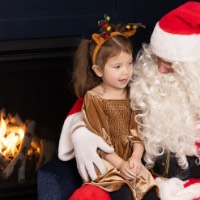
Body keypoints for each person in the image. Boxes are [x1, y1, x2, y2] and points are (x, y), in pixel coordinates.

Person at [59, 1, 200, 199]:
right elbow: (91, 100)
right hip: (140, 175)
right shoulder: (140, 74)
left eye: (169, 64)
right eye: (157, 58)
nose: (159, 69)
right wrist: (81, 133)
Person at [68, 15, 159, 200]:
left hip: (130, 161)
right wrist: (121, 165)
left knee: (150, 193)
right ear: (99, 70)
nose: (126, 71)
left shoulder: (131, 93)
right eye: (117, 66)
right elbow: (99, 142)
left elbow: (137, 131)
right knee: (124, 194)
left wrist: (135, 158)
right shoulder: (94, 98)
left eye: (128, 63)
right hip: (108, 163)